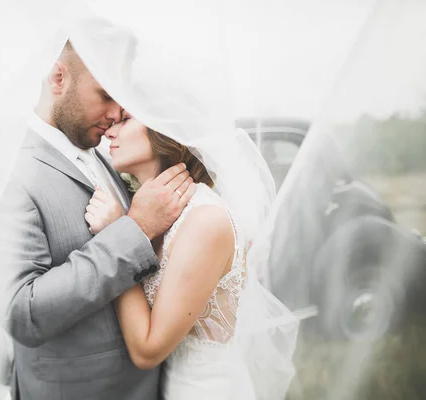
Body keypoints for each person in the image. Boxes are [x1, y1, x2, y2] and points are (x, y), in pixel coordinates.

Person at [2, 29, 196, 399]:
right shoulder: (10, 174)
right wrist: (135, 228)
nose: (117, 113)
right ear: (59, 78)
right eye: (106, 94)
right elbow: (21, 312)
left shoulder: (101, 154)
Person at [85, 109, 298, 399]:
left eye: (125, 120)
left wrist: (117, 236)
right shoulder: (150, 210)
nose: (110, 132)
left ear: (165, 128)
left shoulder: (205, 221)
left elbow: (147, 350)